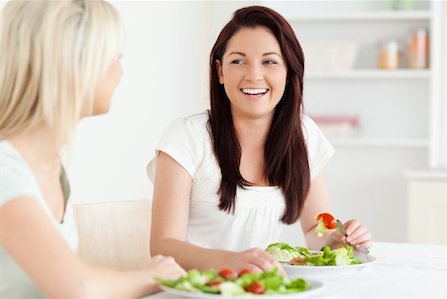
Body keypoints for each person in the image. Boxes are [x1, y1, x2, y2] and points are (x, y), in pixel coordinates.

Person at [147, 5, 372, 273]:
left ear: (288, 71)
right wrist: (228, 261)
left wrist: (338, 238)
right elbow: (163, 246)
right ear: (219, 71)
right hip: (197, 288)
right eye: (238, 61)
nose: (253, 75)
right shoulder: (187, 136)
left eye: (269, 61)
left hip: (264, 288)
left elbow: (314, 229)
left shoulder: (304, 134)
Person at [0, 1, 185, 298]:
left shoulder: (53, 167)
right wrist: (153, 275)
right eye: (115, 57)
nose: (120, 71)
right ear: (76, 64)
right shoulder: (6, 170)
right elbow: (78, 288)